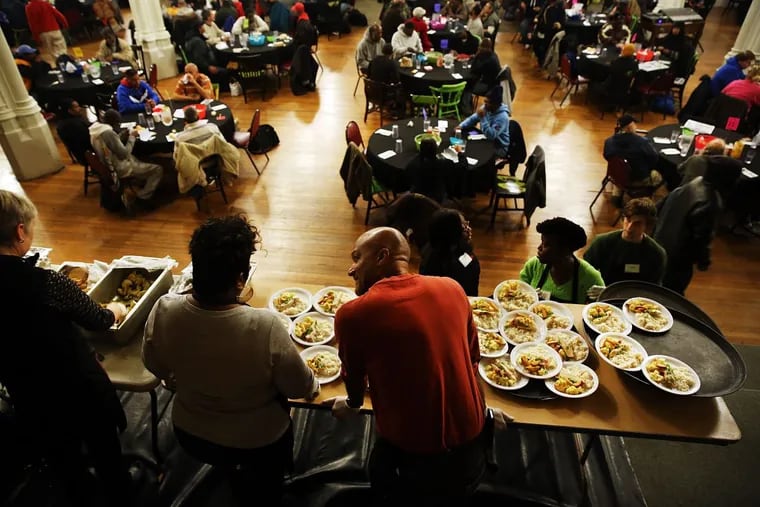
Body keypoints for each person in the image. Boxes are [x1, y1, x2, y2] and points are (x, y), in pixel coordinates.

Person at [143, 215, 319, 505]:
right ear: (240, 280)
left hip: (192, 435)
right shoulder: (265, 326)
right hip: (260, 442)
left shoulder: (164, 310)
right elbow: (299, 387)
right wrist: (313, 383)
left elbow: (154, 366)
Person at [325, 227, 504, 505]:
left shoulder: (353, 314)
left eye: (357, 258)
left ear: (382, 256)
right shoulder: (453, 289)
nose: (351, 269)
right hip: (472, 446)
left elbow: (354, 378)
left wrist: (352, 404)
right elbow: (472, 358)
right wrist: (485, 409)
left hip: (413, 452)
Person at [0, 190, 131, 507]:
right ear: (20, 231)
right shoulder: (48, 282)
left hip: (28, 396)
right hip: (77, 391)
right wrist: (116, 309)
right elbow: (98, 320)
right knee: (106, 454)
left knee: (65, 463)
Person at [654, 164, 741, 294]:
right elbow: (702, 237)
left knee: (657, 281)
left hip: (660, 239)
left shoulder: (693, 183)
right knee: (672, 291)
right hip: (679, 256)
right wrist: (703, 261)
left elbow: (660, 205)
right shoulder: (709, 201)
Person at [89, 109, 164, 209]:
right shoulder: (108, 133)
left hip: (108, 163)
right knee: (158, 169)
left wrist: (121, 136)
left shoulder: (96, 130)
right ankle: (143, 196)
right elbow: (124, 154)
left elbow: (111, 145)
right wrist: (132, 137)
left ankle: (142, 180)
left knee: (140, 158)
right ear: (113, 122)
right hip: (120, 167)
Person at [519, 217, 605, 304]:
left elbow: (604, 306)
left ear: (565, 250)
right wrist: (527, 297)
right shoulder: (533, 266)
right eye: (541, 242)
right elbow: (517, 293)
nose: (539, 248)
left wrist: (604, 295)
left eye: (546, 245)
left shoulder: (591, 278)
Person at [584, 198, 667, 286]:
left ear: (647, 226)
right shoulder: (601, 243)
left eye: (637, 223)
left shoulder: (656, 254)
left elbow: (653, 287)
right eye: (628, 220)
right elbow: (585, 274)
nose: (629, 227)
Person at [420, 209, 480, 296]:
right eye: (463, 227)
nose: (469, 229)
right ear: (453, 233)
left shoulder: (435, 246)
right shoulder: (442, 264)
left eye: (466, 224)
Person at [603, 114, 661, 202]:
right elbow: (654, 159)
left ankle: (618, 190)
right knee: (658, 176)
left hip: (616, 175)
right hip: (636, 180)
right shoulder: (642, 142)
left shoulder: (609, 141)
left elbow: (607, 156)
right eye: (635, 124)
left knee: (623, 169)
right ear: (630, 127)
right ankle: (647, 202)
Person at [459, 85, 510, 158]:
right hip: (486, 140)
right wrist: (461, 126)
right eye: (485, 101)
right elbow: (472, 119)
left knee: (473, 154)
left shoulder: (502, 118)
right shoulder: (486, 107)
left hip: (498, 147)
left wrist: (483, 117)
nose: (484, 105)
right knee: (466, 145)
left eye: (487, 102)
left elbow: (491, 135)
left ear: (495, 104)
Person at [678, 138, 743, 186]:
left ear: (706, 148)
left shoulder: (696, 159)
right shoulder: (723, 168)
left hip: (684, 193)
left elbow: (680, 169)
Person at [184, 21, 230, 89]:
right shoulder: (197, 42)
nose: (204, 28)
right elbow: (199, 59)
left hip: (206, 64)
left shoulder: (193, 38)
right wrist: (208, 67)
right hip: (204, 69)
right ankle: (223, 88)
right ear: (199, 28)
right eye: (203, 26)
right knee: (226, 71)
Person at [25, 0, 68, 65]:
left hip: (43, 34)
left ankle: (58, 66)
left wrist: (36, 37)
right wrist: (65, 24)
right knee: (62, 49)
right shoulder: (45, 3)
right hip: (55, 30)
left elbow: (32, 24)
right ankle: (66, 64)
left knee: (52, 53)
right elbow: (58, 14)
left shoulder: (29, 8)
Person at [55, 98, 92, 163]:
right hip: (88, 155)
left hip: (83, 153)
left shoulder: (62, 122)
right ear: (69, 110)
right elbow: (87, 139)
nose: (80, 108)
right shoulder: (73, 125)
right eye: (76, 107)